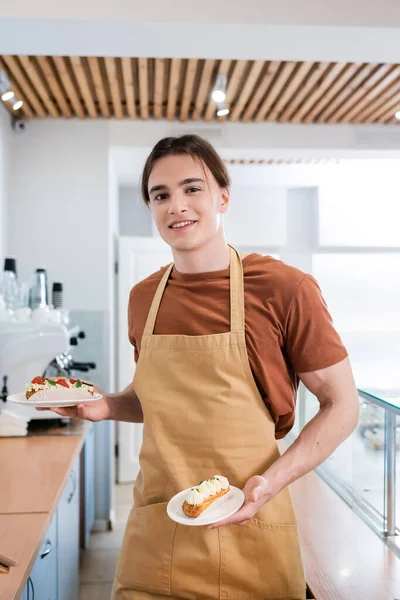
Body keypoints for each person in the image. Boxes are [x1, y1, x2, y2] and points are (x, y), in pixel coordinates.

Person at [46, 135, 359, 599]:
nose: (177, 206)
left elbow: (342, 405)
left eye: (192, 188)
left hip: (252, 529)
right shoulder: (143, 299)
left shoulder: (283, 289)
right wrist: (109, 405)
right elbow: (162, 400)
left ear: (223, 196)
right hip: (157, 533)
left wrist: (271, 483)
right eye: (161, 195)